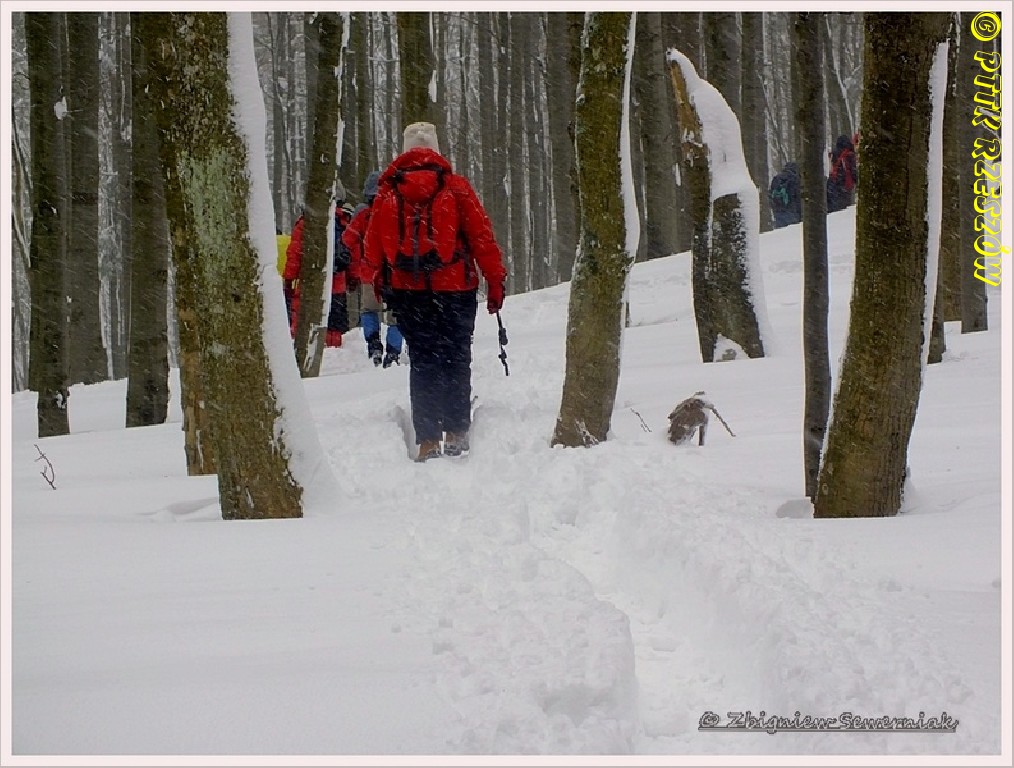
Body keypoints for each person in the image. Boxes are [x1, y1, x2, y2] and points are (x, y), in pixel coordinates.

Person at [361, 122, 507, 462]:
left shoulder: (388, 192)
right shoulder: (455, 187)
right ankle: (456, 430)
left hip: (408, 290)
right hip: (455, 288)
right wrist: (495, 280)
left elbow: (372, 246)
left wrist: (379, 281)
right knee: (456, 356)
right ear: (437, 150)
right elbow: (481, 237)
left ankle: (427, 440)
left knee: (423, 360)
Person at [343, 171, 405, 367]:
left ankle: (374, 344)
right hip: (396, 273)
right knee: (397, 314)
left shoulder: (363, 215)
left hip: (370, 272)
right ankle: (393, 351)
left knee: (369, 309)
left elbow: (347, 240)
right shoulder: (398, 212)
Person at [282, 184, 355, 347]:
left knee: (306, 320)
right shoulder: (344, 222)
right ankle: (333, 349)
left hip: (310, 281)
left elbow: (295, 252)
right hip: (337, 284)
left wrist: (289, 278)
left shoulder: (307, 223)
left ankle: (307, 350)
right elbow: (353, 253)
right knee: (335, 324)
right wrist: (353, 277)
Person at [826, 134, 858, 214]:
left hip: (833, 183)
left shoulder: (834, 153)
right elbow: (853, 171)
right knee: (842, 210)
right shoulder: (849, 155)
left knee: (833, 209)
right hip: (844, 185)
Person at [768, 162, 801, 228]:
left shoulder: (776, 178)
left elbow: (771, 195)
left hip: (778, 211)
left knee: (781, 230)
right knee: (791, 230)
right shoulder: (794, 179)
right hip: (791, 211)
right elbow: (797, 198)